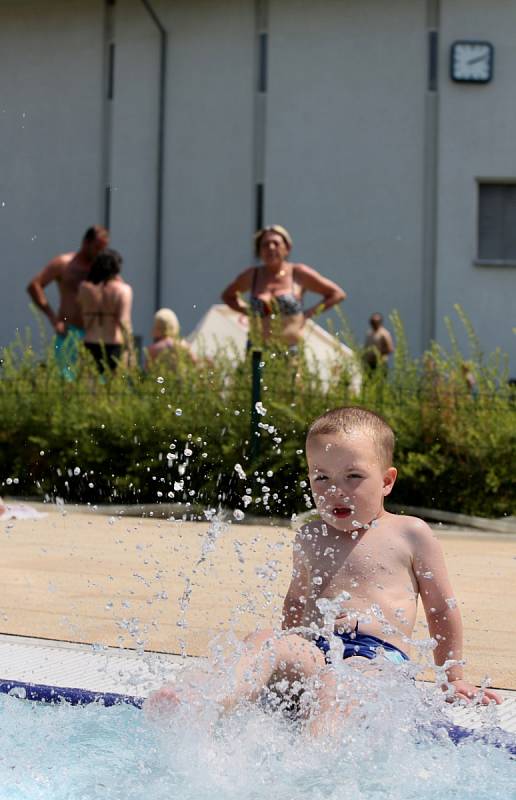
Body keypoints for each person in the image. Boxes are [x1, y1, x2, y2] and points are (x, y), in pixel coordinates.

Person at [148, 406, 501, 728]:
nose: (336, 491)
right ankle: (207, 702)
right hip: (317, 649)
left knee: (337, 683)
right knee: (264, 641)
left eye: (353, 477)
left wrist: (452, 677)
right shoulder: (310, 536)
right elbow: (296, 604)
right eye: (322, 478)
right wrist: (285, 652)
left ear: (387, 481)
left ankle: (311, 769)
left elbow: (442, 610)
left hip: (377, 659)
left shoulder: (409, 534)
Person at [221, 225, 346, 350]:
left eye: (276, 243)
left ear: (287, 248)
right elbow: (227, 296)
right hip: (258, 349)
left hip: (289, 351)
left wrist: (307, 314)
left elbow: (337, 294)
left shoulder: (298, 273)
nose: (271, 248)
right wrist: (248, 311)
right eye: (265, 244)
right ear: (259, 250)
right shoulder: (252, 275)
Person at [27, 226, 110, 376]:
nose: (100, 252)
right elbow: (34, 285)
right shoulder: (64, 263)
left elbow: (120, 289)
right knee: (66, 382)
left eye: (103, 249)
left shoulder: (103, 268)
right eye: (97, 247)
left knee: (96, 385)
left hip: (95, 335)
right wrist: (53, 318)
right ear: (86, 242)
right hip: (69, 333)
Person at [77, 249, 133, 373]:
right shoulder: (123, 290)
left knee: (88, 389)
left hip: (90, 343)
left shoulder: (84, 288)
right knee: (113, 390)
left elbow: (80, 312)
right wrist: (131, 350)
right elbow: (125, 322)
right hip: (113, 344)